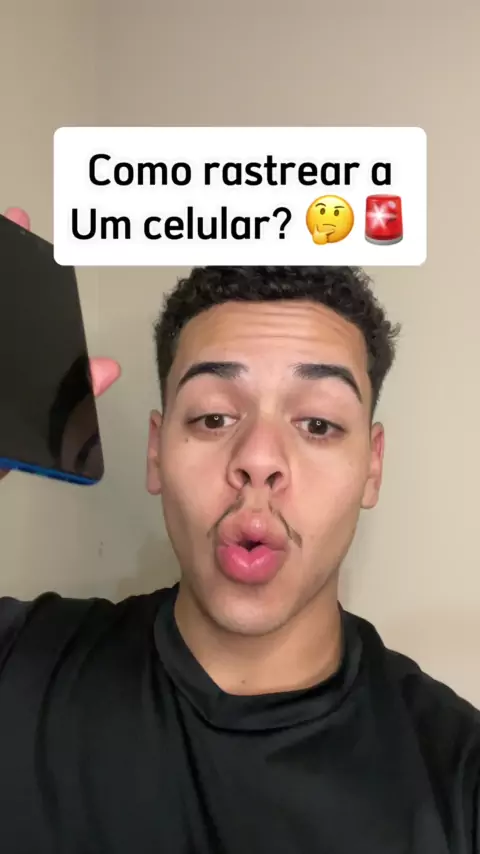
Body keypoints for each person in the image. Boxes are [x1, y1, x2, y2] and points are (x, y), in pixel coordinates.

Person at [0, 207, 478, 854]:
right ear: (155, 453)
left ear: (372, 467)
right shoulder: (16, 664)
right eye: (215, 418)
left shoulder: (457, 778)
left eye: (318, 424)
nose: (258, 458)